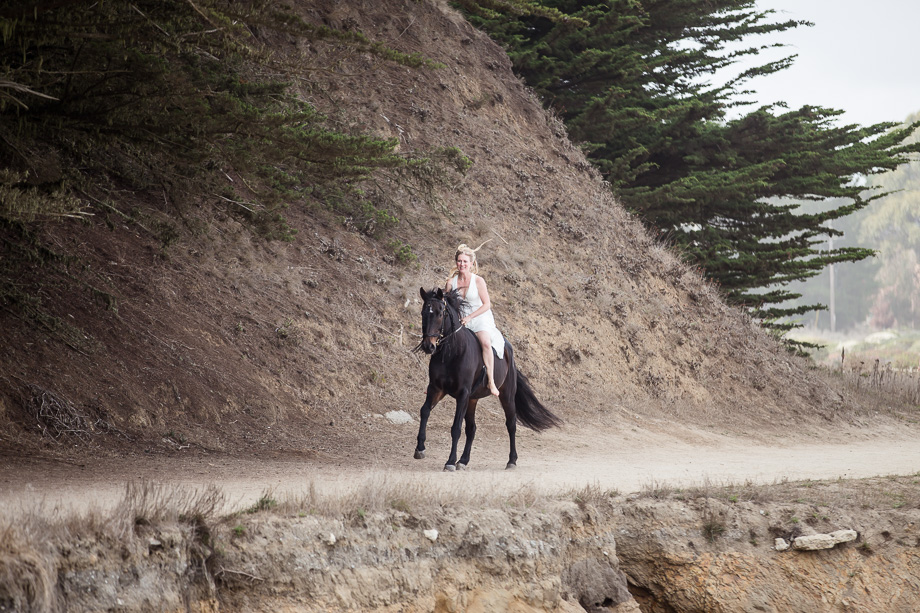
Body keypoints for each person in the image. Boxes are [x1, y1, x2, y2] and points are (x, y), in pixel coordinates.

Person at [445, 242, 505, 396]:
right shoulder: (450, 283)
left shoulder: (478, 281)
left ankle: (491, 381)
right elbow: (448, 305)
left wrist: (470, 317)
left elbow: (487, 304)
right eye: (459, 261)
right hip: (460, 319)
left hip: (479, 317)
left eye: (465, 261)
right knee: (443, 342)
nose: (462, 264)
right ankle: (436, 381)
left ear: (471, 263)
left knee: (485, 342)